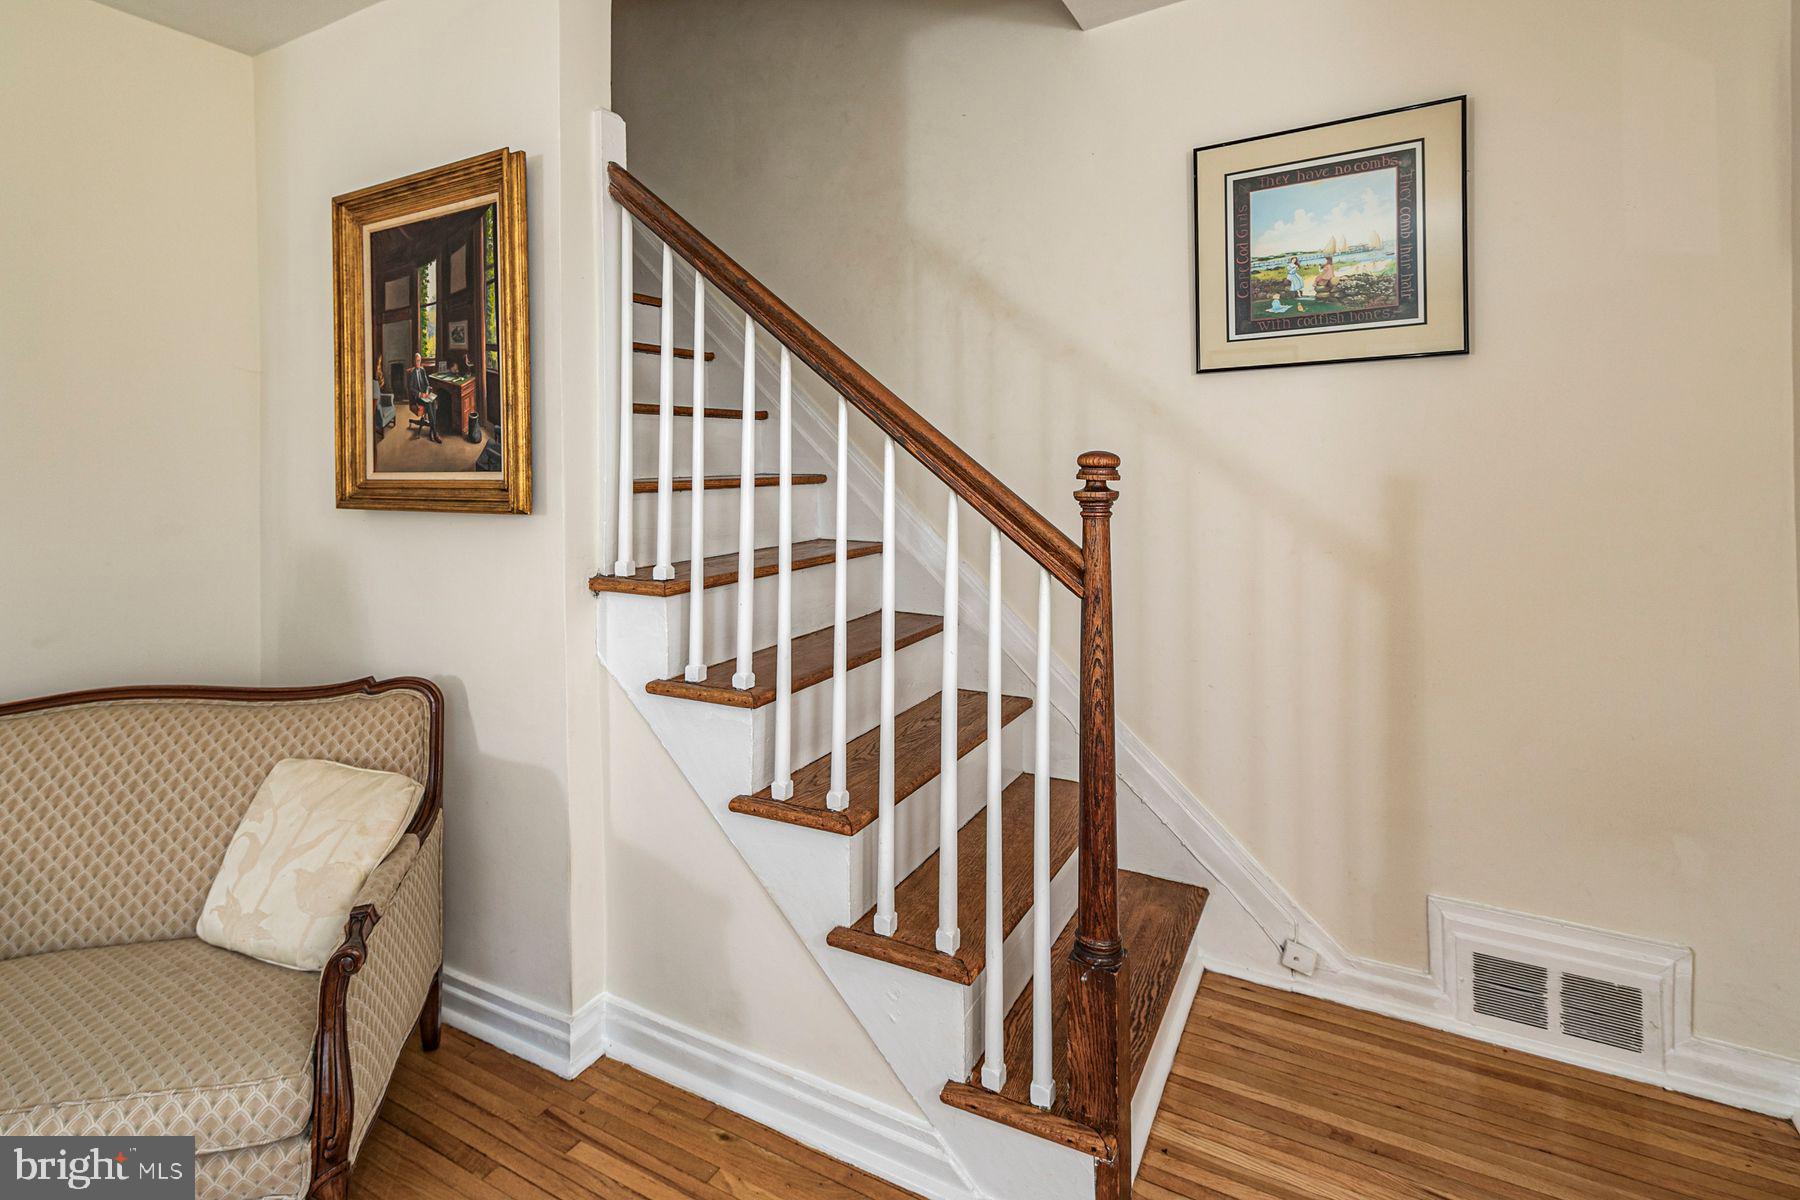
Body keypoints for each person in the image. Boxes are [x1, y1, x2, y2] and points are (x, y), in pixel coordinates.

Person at [405, 352, 441, 444]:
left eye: (419, 361)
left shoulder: (422, 370)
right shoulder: (412, 373)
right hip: (417, 398)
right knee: (429, 404)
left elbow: (427, 383)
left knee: (432, 402)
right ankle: (435, 432)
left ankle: (432, 431)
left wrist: (427, 391)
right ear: (414, 361)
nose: (418, 362)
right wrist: (421, 394)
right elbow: (411, 388)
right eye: (417, 360)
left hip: (425, 395)